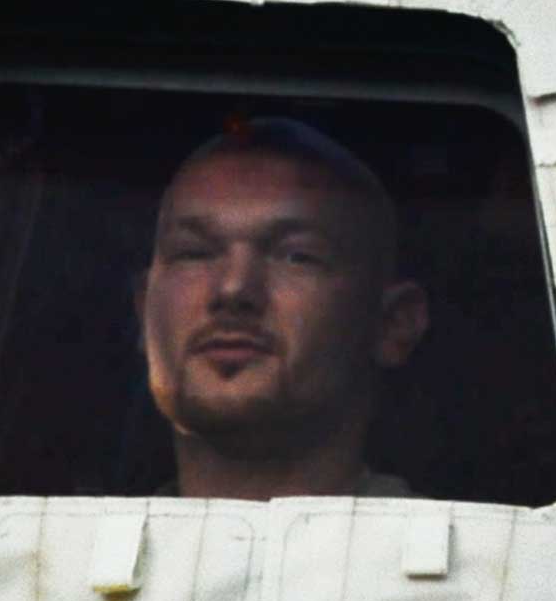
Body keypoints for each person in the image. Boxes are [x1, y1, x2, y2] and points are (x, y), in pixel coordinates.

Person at [136, 118, 430, 501]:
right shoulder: (80, 553)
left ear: (393, 324)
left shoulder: (472, 560)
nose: (233, 288)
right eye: (194, 253)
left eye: (297, 256)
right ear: (145, 313)